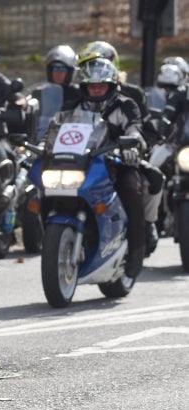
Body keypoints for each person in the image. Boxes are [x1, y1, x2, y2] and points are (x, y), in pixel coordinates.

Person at [79, 42, 161, 254]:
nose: (96, 84)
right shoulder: (79, 101)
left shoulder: (129, 98)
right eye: (89, 67)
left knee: (148, 179)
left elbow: (140, 127)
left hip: (122, 156)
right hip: (85, 159)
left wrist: (134, 145)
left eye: (102, 83)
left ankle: (140, 237)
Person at [77, 57, 147, 277]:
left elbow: (136, 129)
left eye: (101, 85)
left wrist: (132, 144)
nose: (96, 90)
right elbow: (60, 130)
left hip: (120, 162)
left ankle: (137, 250)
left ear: (111, 86)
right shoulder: (78, 107)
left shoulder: (125, 104)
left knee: (130, 189)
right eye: (92, 86)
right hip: (86, 164)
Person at [40, 44, 81, 111]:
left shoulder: (79, 94)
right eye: (55, 68)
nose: (58, 73)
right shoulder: (42, 93)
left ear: (70, 72)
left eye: (62, 69)